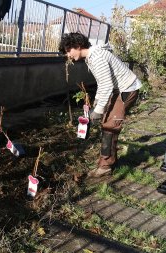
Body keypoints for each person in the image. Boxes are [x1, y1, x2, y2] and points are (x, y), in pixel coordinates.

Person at [59, 32, 142, 177]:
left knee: (110, 125)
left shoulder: (96, 57)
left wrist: (98, 109)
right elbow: (103, 81)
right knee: (108, 123)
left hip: (127, 89)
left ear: (78, 46)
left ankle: (105, 167)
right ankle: (109, 161)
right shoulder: (91, 57)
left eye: (68, 51)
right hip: (120, 89)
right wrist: (98, 102)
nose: (68, 55)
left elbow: (106, 84)